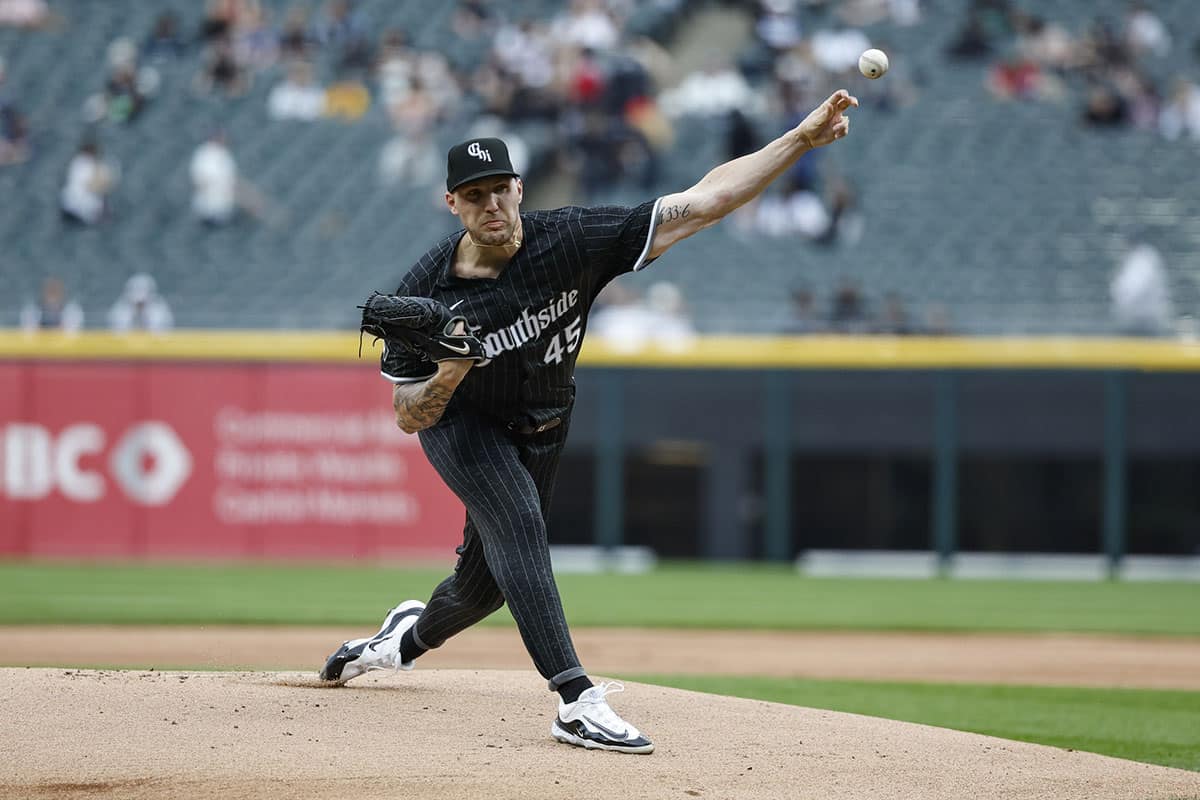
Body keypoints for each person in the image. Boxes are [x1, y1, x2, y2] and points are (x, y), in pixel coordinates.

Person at [317, 89, 859, 754]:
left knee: (480, 591)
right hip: (464, 426)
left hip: (545, 421)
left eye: (500, 189)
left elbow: (704, 201)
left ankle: (402, 639)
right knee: (519, 524)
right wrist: (451, 368)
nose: (492, 205)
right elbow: (408, 415)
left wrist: (800, 138)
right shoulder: (426, 292)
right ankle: (576, 699)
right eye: (475, 194)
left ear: (520, 188)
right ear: (451, 204)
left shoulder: (569, 239)